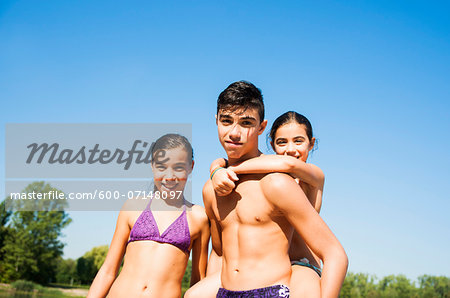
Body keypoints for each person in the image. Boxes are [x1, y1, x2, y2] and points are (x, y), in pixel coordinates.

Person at [200, 81, 348, 297]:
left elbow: (335, 253)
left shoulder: (282, 182)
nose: (234, 132)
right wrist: (217, 170)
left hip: (292, 275)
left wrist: (218, 168)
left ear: (261, 127)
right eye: (226, 121)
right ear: (216, 122)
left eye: (246, 123)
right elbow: (219, 253)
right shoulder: (212, 190)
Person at [87, 134, 210, 298]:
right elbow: (108, 270)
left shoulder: (199, 217)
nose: (169, 176)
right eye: (161, 167)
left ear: (191, 167)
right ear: (152, 166)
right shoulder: (132, 207)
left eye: (178, 168)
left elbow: (198, 281)